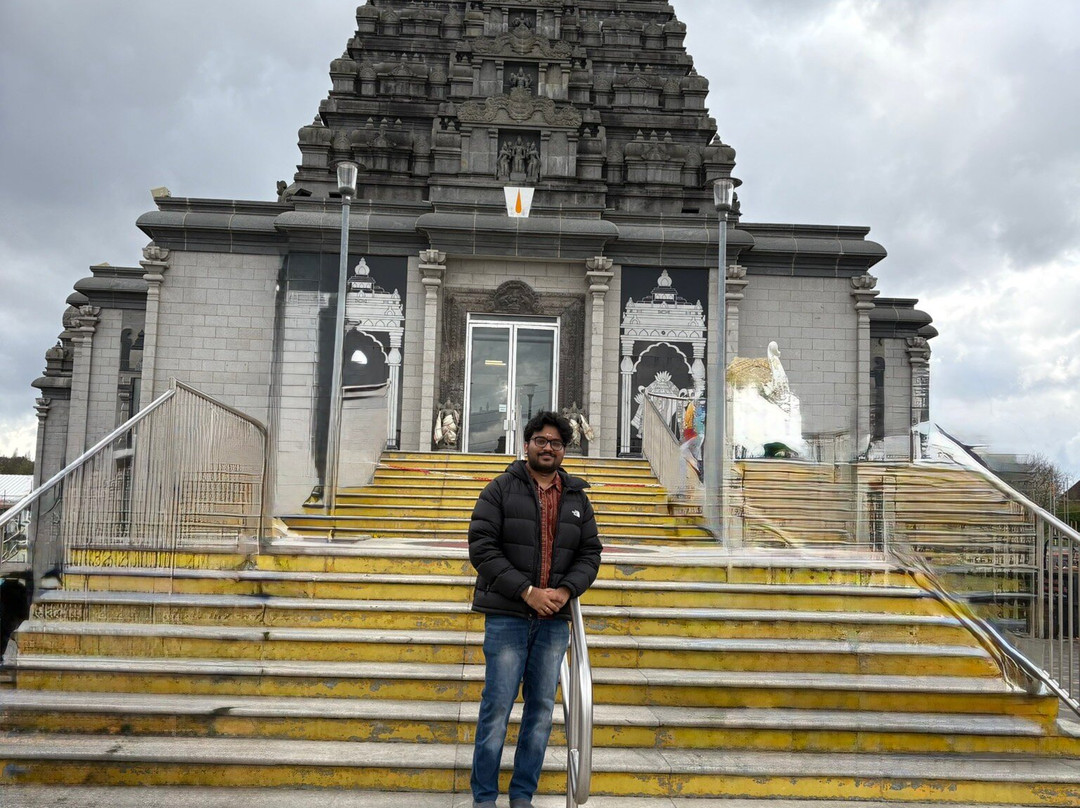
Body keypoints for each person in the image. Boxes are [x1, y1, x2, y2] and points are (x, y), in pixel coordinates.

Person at [468, 411, 602, 808]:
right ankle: (484, 796)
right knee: (497, 707)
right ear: (526, 445)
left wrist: (565, 590)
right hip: (507, 617)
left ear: (564, 451)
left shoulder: (577, 498)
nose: (548, 448)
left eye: (556, 443)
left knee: (541, 711)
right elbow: (482, 548)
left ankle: (522, 794)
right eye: (540, 441)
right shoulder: (499, 489)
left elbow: (590, 553)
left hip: (553, 622)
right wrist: (526, 592)